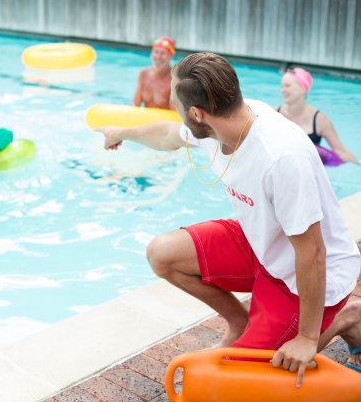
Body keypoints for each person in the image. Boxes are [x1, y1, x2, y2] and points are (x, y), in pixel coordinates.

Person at [94, 52, 361, 385]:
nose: (175, 111)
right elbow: (168, 135)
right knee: (162, 254)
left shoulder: (281, 156)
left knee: (240, 381)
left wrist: (306, 339)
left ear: (197, 113)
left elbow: (313, 253)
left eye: (176, 104)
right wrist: (121, 131)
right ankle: (240, 321)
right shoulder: (222, 119)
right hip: (263, 244)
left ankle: (347, 317)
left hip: (303, 275)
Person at [276, 67, 358, 164]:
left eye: (287, 86)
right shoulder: (274, 114)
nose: (283, 90)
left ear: (302, 88)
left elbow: (340, 150)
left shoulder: (319, 120)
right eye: (282, 86)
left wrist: (358, 163)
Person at [133, 36, 176, 111]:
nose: (158, 57)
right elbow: (136, 105)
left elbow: (174, 113)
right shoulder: (144, 73)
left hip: (165, 122)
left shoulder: (174, 79)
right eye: (156, 52)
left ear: (171, 56)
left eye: (163, 53)